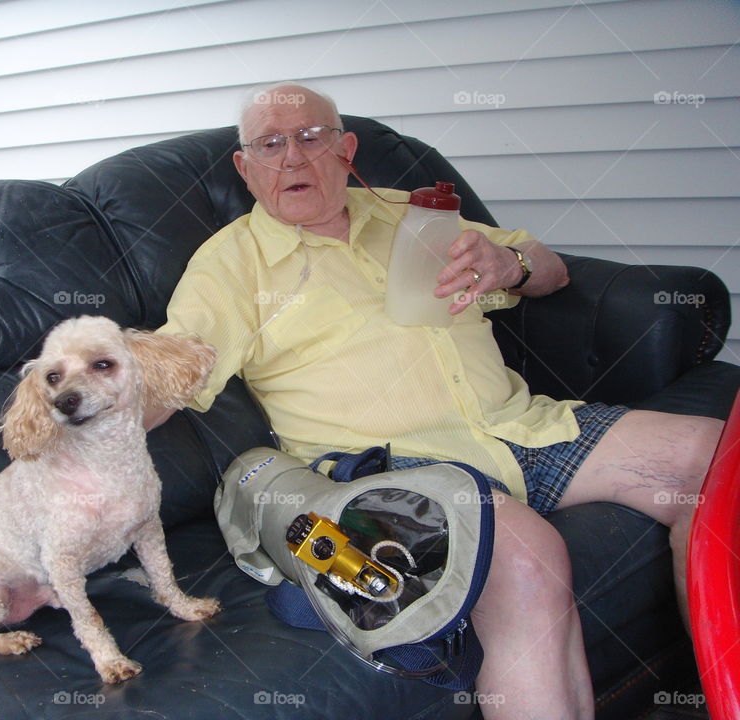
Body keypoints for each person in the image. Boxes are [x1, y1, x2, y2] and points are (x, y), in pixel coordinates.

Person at [145, 83, 723, 720]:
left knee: (715, 460)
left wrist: (507, 263)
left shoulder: (414, 214)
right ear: (244, 167)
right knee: (526, 558)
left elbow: (550, 268)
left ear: (346, 149)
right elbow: (166, 376)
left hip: (518, 429)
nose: (291, 158)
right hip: (400, 470)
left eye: (311, 137)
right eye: (269, 144)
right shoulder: (231, 266)